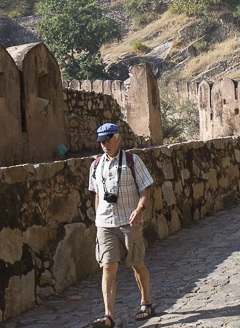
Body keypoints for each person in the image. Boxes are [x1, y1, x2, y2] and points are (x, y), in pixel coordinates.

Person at [87, 123, 156, 328]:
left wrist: (140, 209)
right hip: (105, 224)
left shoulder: (132, 161)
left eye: (108, 140)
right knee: (108, 266)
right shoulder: (96, 165)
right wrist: (98, 220)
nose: (105, 145)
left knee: (136, 263)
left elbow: (145, 189)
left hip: (129, 221)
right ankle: (108, 316)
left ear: (118, 139)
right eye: (102, 141)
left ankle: (146, 302)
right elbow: (98, 195)